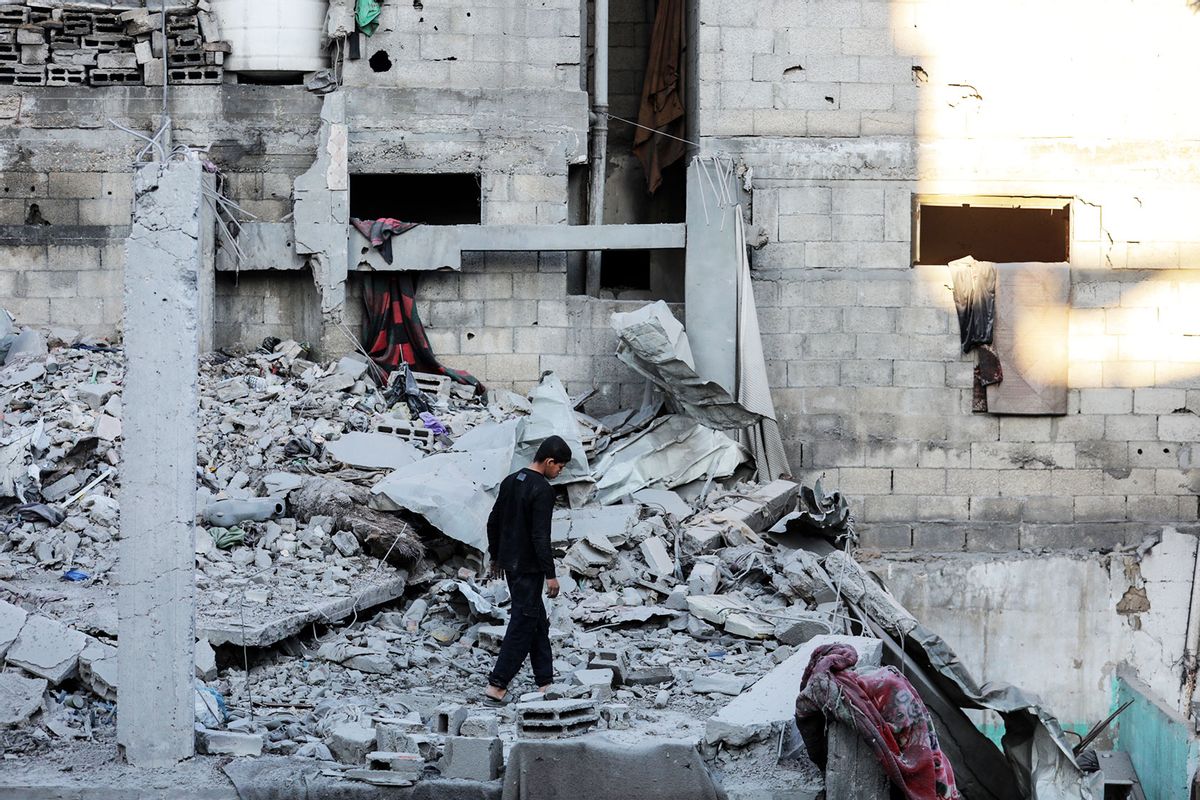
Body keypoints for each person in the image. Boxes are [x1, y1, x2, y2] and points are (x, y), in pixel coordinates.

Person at [482, 435, 571, 705]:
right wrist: (551, 575)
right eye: (560, 466)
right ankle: (497, 686)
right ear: (549, 461)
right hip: (529, 568)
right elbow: (540, 536)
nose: (560, 471)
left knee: (536, 621)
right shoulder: (543, 490)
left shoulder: (512, 480)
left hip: (512, 564)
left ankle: (545, 682)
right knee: (522, 622)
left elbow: (493, 521)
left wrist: (496, 556)